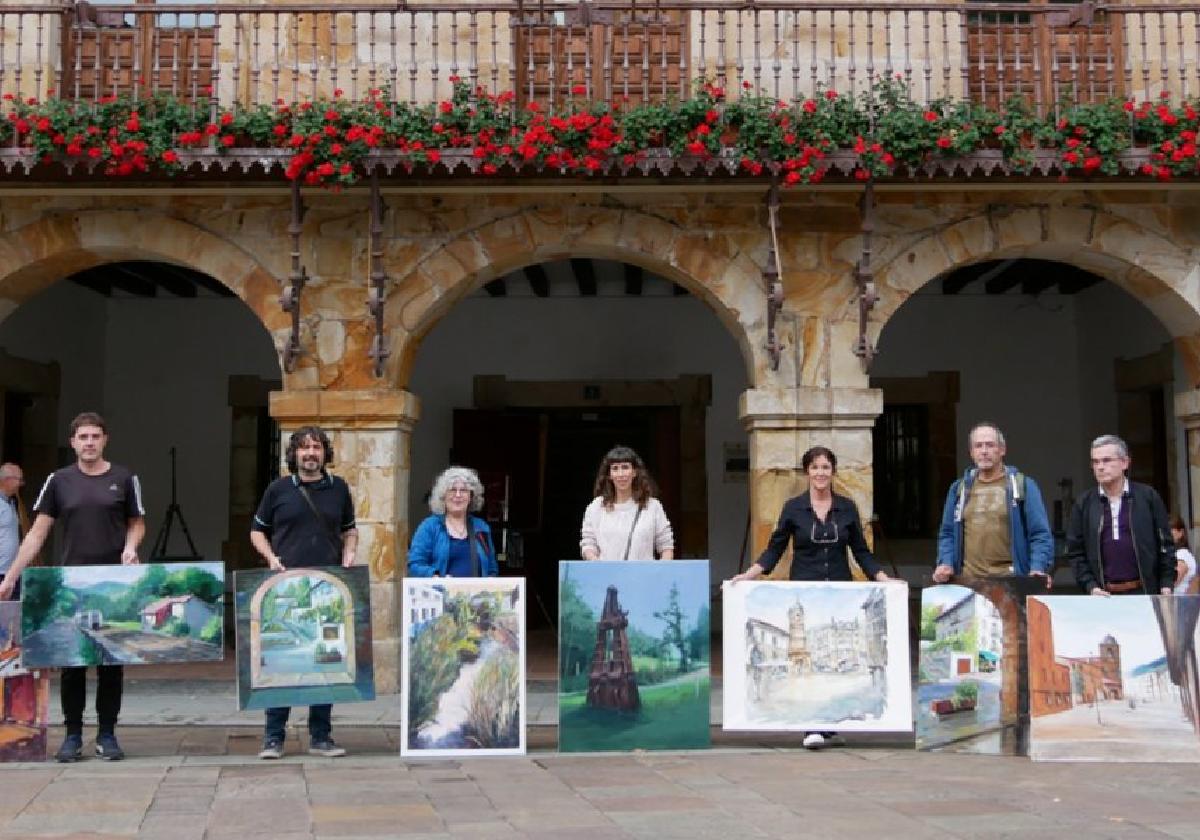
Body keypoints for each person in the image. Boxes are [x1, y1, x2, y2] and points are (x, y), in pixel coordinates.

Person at [0, 413, 145, 762]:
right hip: (73, 582)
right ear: (73, 442)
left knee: (112, 661)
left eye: (96, 436)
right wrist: (10, 577)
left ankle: (107, 734)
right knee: (73, 662)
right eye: (83, 437)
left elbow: (137, 523)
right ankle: (73, 735)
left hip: (112, 582)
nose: (90, 442)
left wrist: (131, 547)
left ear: (105, 439)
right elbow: (37, 533)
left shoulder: (124, 478)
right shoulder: (59, 481)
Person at [727, 445, 892, 750]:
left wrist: (885, 580)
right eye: (815, 467)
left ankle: (828, 728)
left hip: (838, 588)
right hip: (804, 587)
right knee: (811, 665)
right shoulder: (793, 508)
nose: (820, 473)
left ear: (833, 472)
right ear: (807, 472)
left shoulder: (846, 508)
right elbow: (775, 548)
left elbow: (861, 551)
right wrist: (750, 574)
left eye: (826, 467)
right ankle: (811, 729)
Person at [250, 425, 357, 759]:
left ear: (325, 453)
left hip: (327, 586)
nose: (310, 453)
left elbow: (349, 530)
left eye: (316, 447)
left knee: (325, 660)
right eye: (304, 448)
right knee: (280, 660)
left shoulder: (339, 489)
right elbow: (257, 531)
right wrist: (270, 558)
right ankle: (273, 737)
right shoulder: (277, 490)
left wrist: (349, 553)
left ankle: (321, 736)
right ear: (293, 454)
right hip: (285, 586)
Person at [931, 422, 1054, 587]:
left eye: (990, 445)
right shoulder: (958, 489)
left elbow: (1040, 534)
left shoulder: (1023, 485)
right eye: (978, 446)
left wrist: (1038, 567)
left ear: (1002, 450)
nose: (984, 451)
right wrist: (945, 562)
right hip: (968, 582)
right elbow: (947, 533)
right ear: (971, 452)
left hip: (1011, 582)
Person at [1065, 434, 1174, 597]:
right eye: (1095, 462)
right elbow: (1075, 552)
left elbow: (1165, 544)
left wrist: (1166, 584)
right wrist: (1090, 586)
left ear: (1125, 462)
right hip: (1102, 596)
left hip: (1144, 593)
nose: (1100, 467)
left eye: (1107, 460)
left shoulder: (1148, 497)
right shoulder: (1084, 504)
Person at [580, 446, 674, 561]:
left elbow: (666, 546)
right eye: (615, 468)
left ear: (634, 472)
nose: (621, 474)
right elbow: (588, 544)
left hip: (644, 577)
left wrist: (660, 574)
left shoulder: (652, 506)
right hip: (607, 577)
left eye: (625, 467)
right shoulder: (595, 507)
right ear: (609, 475)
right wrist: (598, 565)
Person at [408, 466, 498, 577]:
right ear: (443, 496)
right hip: (441, 593)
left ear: (471, 496)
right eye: (452, 490)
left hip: (476, 594)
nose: (458, 495)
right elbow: (415, 564)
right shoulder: (429, 526)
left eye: (464, 490)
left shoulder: (481, 527)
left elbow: (492, 569)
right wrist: (435, 577)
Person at [0, 463, 24, 599]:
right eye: (19, 480)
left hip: (11, 571)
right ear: (7, 480)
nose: (21, 484)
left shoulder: (11, 503)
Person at [1170, 515, 1196, 595]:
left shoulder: (1181, 554)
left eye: (1170, 529)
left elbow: (1173, 581)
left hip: (1180, 602)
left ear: (1180, 532)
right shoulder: (1183, 553)